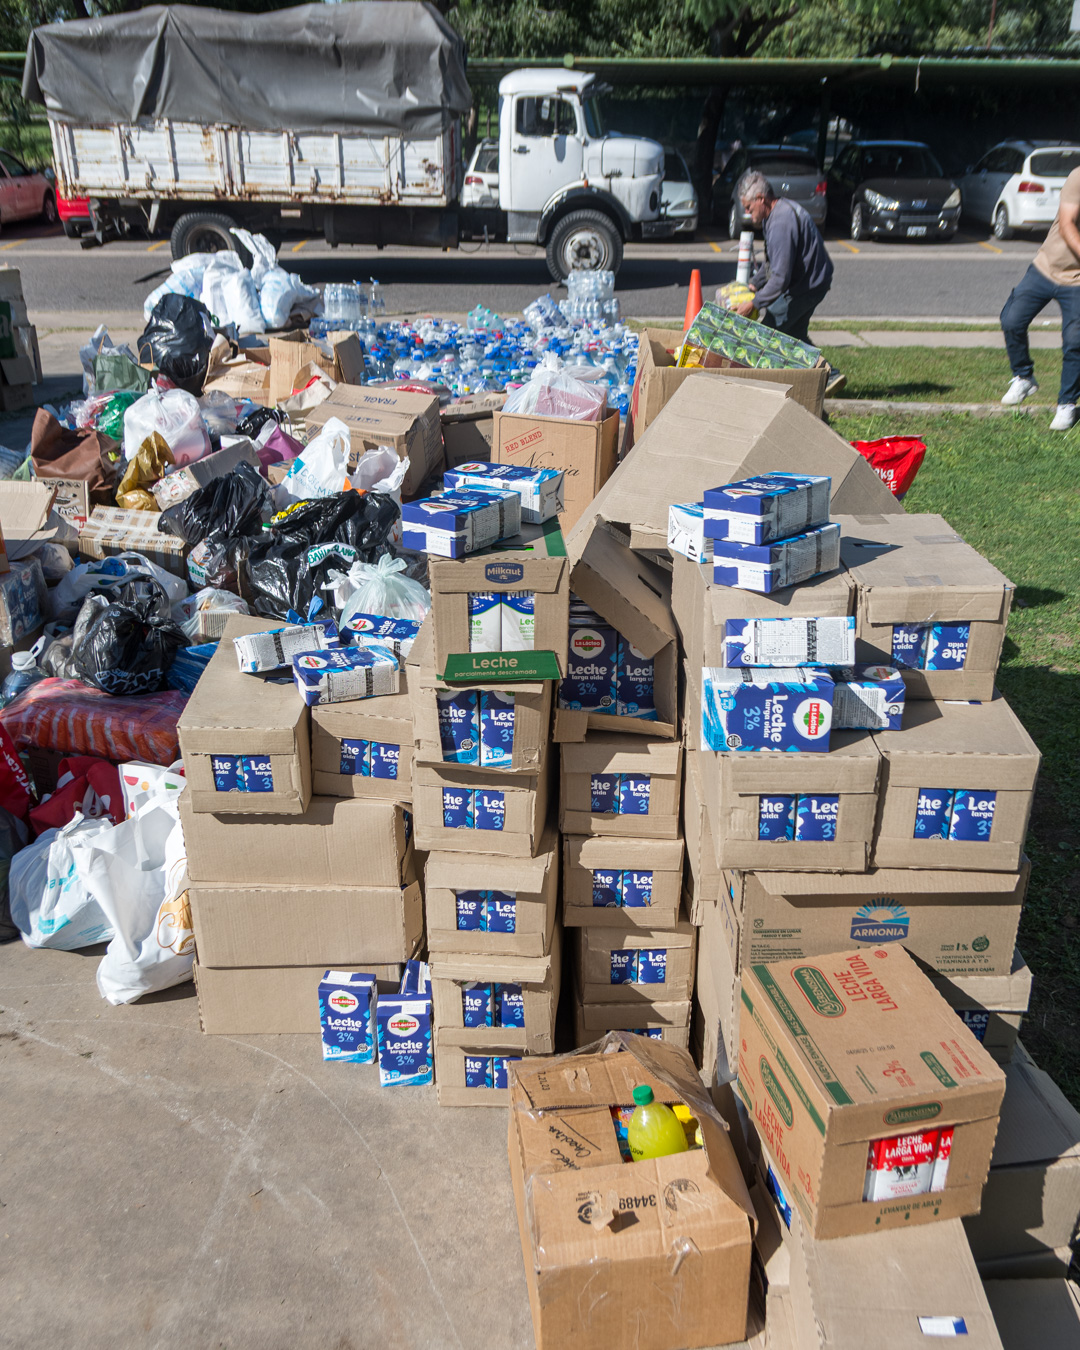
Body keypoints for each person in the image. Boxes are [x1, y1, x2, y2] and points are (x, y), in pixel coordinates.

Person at [999, 166, 1080, 431]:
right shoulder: (1078, 177)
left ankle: (1067, 404)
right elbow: (1067, 224)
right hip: (1046, 267)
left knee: (1075, 341)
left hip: (1077, 282)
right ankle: (1023, 377)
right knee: (1011, 320)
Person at [733, 170, 834, 343]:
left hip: (808, 286)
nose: (748, 212)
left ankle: (815, 361)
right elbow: (773, 263)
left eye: (749, 207)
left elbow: (780, 278)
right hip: (811, 282)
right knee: (795, 337)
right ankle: (817, 361)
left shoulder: (781, 223)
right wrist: (754, 284)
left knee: (765, 337)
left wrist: (754, 304)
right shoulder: (774, 213)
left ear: (760, 198)